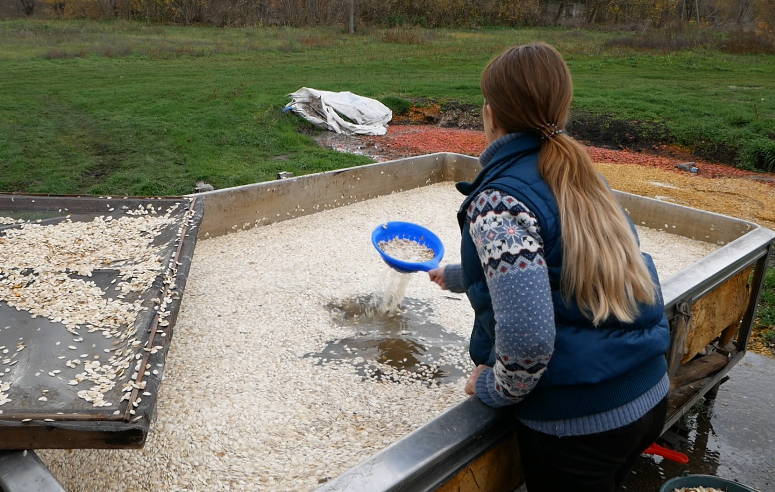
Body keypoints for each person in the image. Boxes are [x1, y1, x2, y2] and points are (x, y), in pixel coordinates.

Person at [428, 42, 670, 492]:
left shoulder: (498, 202)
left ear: (491, 114)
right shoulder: (579, 173)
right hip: (648, 392)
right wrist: (465, 276)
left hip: (579, 425)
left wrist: (494, 388)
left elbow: (530, 339)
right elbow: (568, 263)